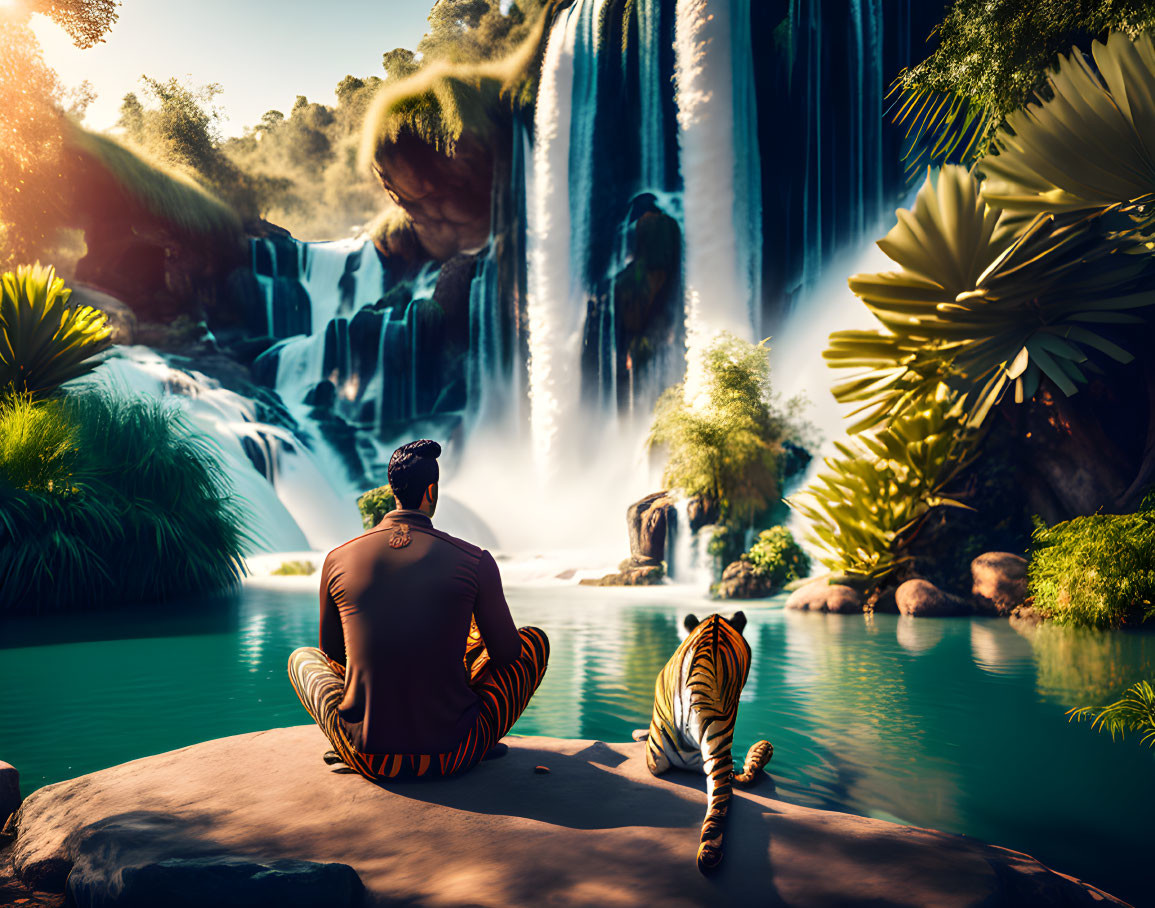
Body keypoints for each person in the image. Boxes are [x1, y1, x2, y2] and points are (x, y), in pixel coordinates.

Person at [287, 439, 549, 780]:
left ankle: (347, 741)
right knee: (533, 641)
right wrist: (468, 652)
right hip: (456, 754)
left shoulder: (337, 559)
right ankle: (483, 739)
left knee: (302, 659)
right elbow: (509, 656)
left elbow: (333, 654)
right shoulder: (475, 560)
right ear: (432, 492)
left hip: (367, 758)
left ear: (393, 490)